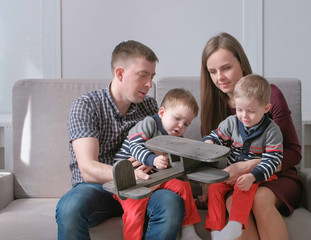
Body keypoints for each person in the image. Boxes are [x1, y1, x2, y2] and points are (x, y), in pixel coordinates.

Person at [55, 40, 186, 240]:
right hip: (97, 189)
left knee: (171, 202)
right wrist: (129, 175)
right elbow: (88, 168)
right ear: (120, 73)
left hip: (144, 187)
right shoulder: (86, 106)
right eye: (143, 75)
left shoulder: (149, 106)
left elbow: (165, 147)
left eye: (151, 77)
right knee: (70, 207)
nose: (149, 84)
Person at [199, 32, 303, 240]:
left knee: (259, 199)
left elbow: (293, 153)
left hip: (277, 176)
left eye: (226, 68)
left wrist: (250, 165)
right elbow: (210, 154)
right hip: (237, 181)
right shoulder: (214, 107)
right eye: (213, 71)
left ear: (242, 64)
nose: (220, 77)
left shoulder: (270, 95)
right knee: (233, 203)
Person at [113, 88, 201, 240]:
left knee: (183, 186)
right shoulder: (148, 124)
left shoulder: (177, 138)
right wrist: (152, 159)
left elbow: (176, 164)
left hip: (156, 179)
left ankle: (188, 230)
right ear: (162, 113)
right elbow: (135, 146)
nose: (181, 126)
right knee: (134, 213)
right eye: (177, 118)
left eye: (186, 123)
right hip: (131, 181)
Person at [202, 74, 283, 240]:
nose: (244, 116)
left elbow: (273, 160)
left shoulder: (272, 130)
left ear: (266, 108)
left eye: (251, 111)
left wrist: (252, 176)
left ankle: (235, 225)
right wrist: (209, 143)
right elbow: (216, 136)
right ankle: (216, 231)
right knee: (214, 188)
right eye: (240, 110)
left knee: (242, 187)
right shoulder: (232, 122)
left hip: (260, 174)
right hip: (233, 173)